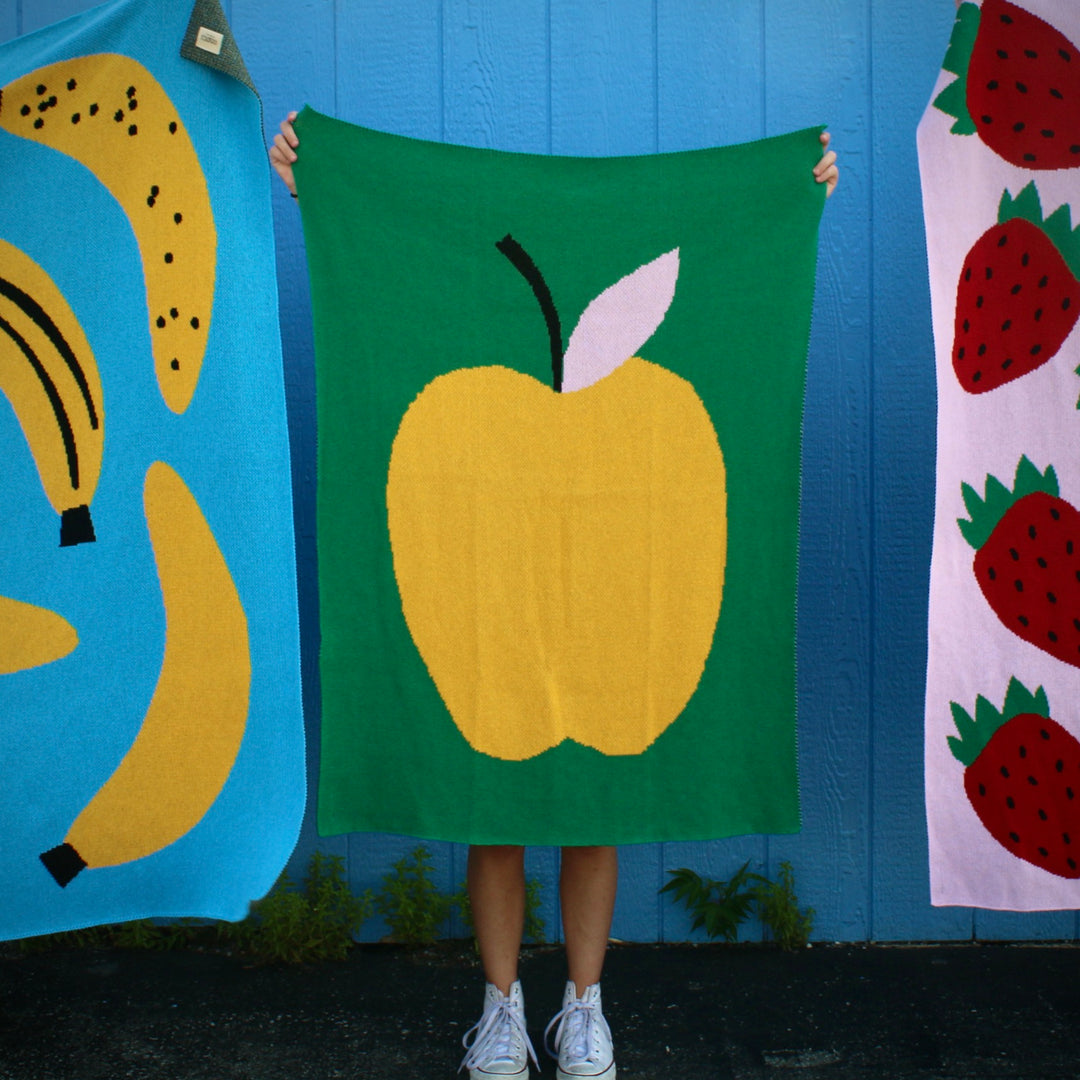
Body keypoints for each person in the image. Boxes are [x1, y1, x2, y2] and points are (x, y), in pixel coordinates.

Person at [270, 113, 837, 1080]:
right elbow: (395, 254)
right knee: (490, 799)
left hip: (604, 578)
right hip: (492, 556)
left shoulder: (652, 408)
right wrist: (322, 180)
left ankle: (584, 1008)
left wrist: (789, 190)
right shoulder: (473, 406)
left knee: (593, 805)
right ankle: (499, 1010)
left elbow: (734, 237)